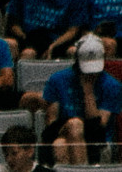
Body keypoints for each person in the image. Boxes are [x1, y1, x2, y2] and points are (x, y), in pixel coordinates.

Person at [34, 36, 119, 164]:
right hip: (61, 130)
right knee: (74, 125)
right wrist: (71, 126)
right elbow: (51, 123)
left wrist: (88, 91)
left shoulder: (112, 85)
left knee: (60, 145)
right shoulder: (57, 80)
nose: (91, 74)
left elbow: (97, 128)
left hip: (95, 139)